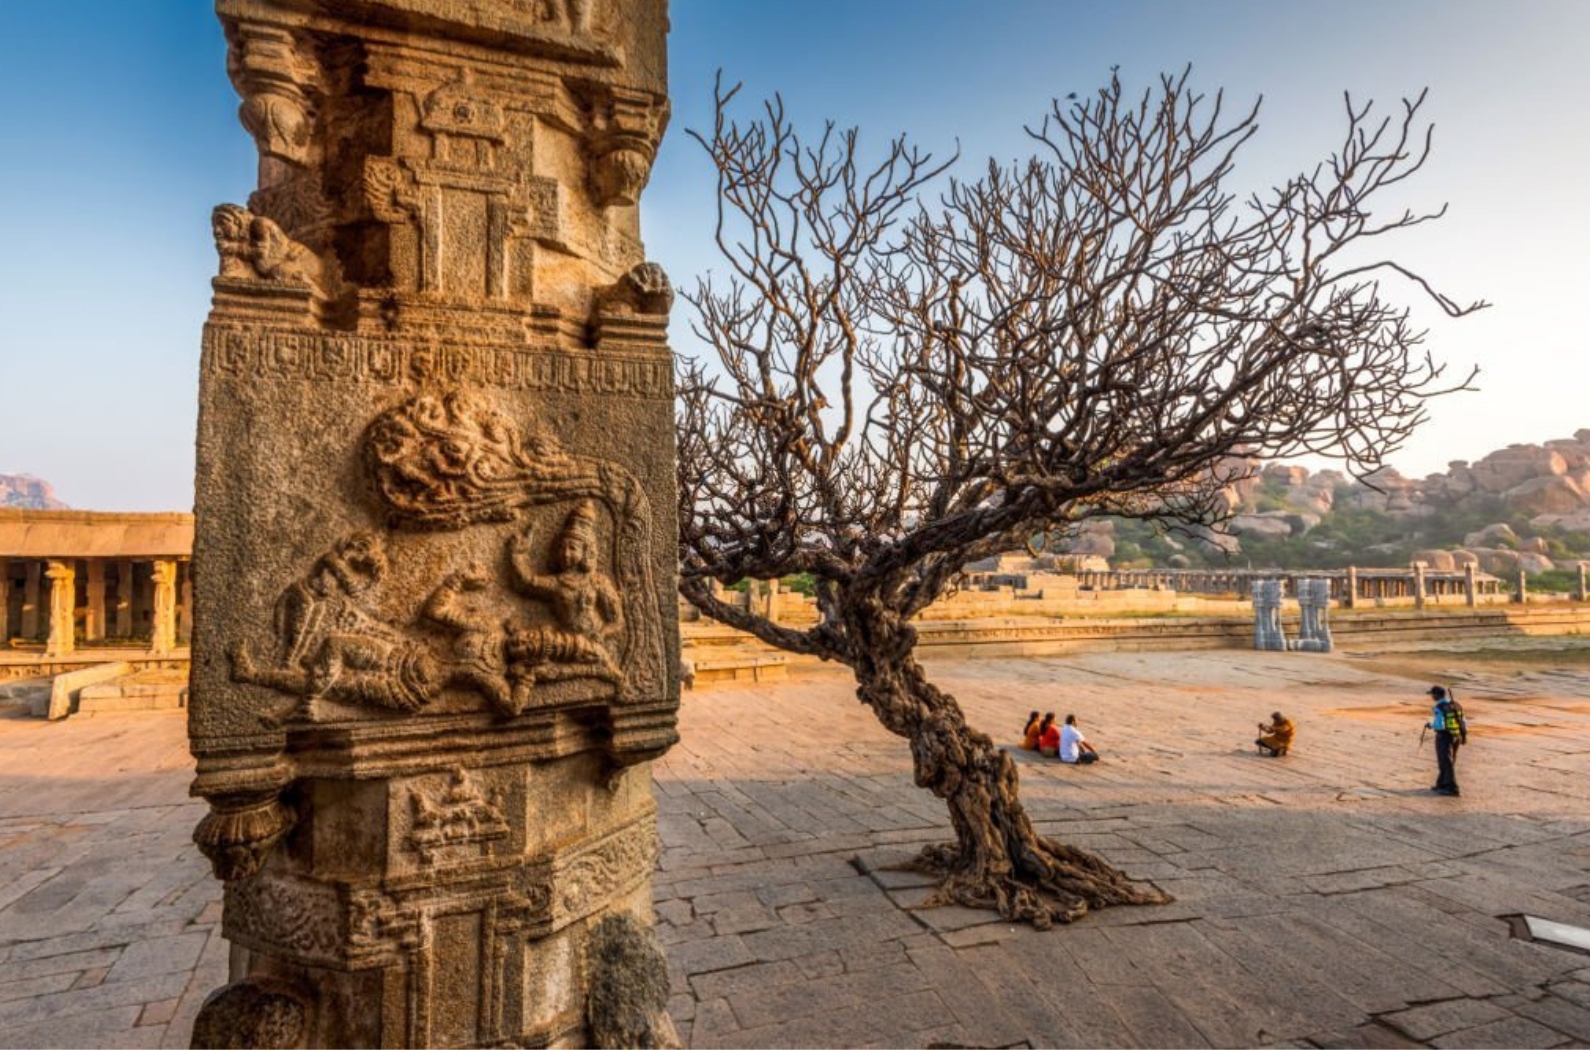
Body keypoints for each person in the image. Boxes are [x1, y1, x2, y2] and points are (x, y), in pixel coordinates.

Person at [1427, 685, 1467, 796]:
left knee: (1445, 761)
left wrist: (1430, 725)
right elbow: (1463, 722)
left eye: (1432, 694)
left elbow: (1439, 725)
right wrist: (1464, 736)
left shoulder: (1439, 707)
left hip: (1444, 737)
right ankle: (1442, 783)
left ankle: (1452, 788)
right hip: (1456, 736)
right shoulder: (1457, 705)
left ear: (1436, 695)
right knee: (1448, 760)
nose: (1431, 697)